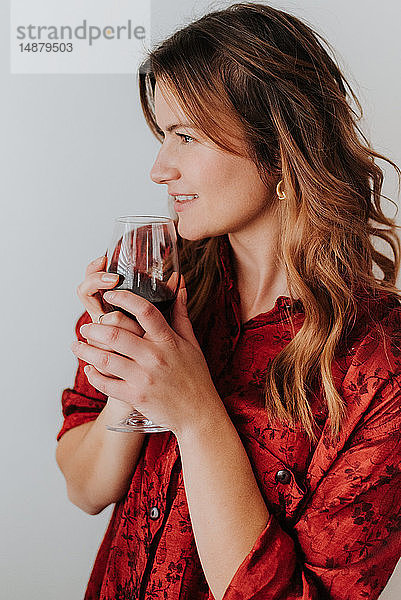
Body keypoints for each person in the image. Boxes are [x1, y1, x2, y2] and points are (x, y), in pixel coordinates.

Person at [56, 3, 401, 599]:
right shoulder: (155, 275)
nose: (160, 168)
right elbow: (85, 490)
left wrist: (194, 412)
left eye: (186, 136)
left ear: (281, 149)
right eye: (164, 136)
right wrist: (130, 389)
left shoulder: (379, 362)